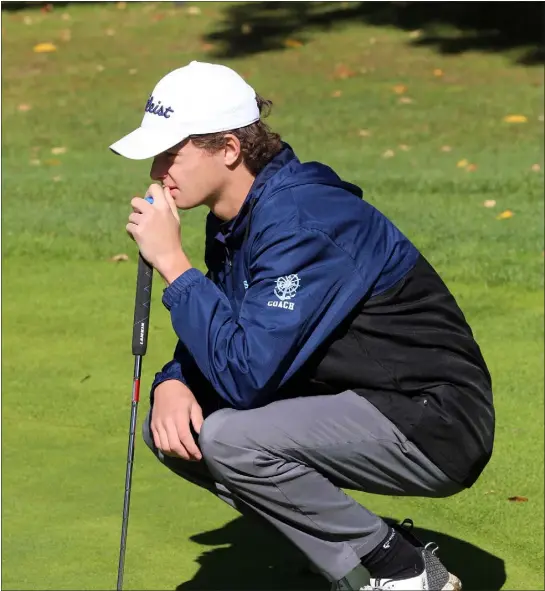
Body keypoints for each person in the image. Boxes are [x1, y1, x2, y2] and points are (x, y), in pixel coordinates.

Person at [111, 61, 495, 591]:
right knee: (178, 426)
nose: (158, 170)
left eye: (171, 152)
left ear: (228, 148)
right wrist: (174, 378)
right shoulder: (236, 218)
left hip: (433, 420)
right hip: (359, 403)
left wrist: (173, 267)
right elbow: (231, 328)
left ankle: (402, 571)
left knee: (229, 439)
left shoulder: (302, 220)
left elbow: (247, 375)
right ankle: (355, 573)